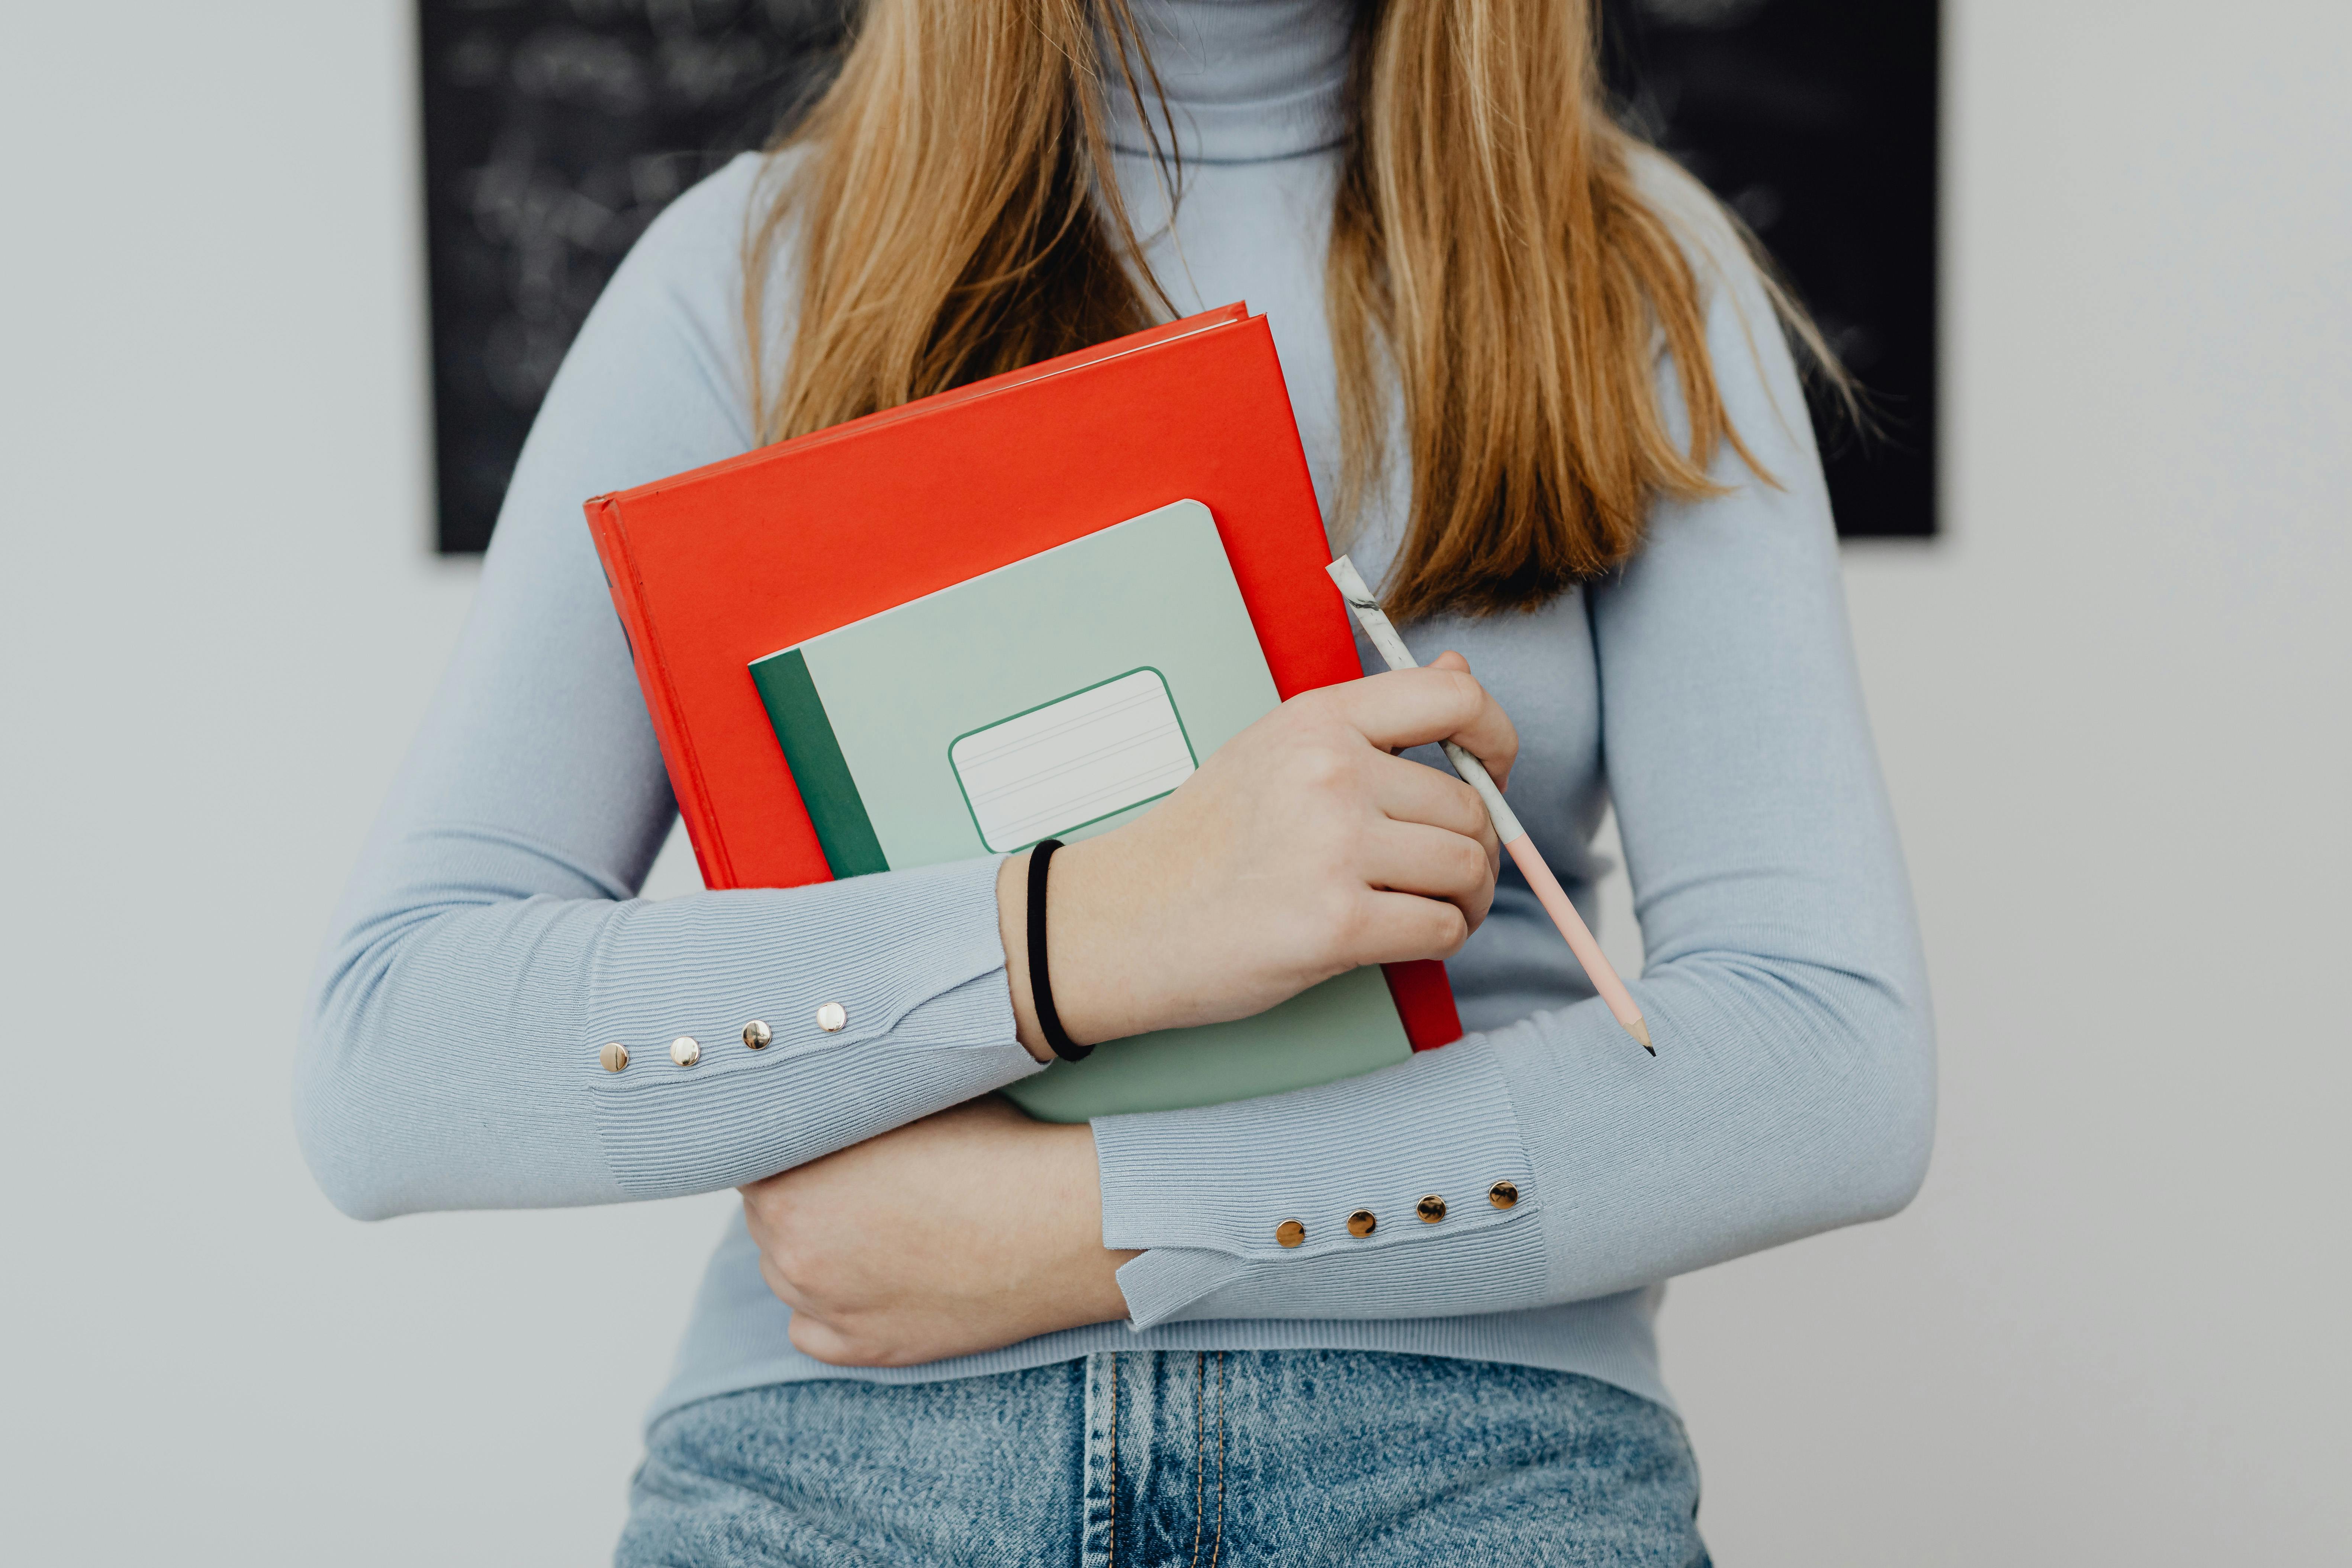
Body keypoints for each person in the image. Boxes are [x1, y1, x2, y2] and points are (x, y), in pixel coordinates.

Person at [296, 1, 1933, 1561]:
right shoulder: (750, 273)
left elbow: (1827, 1063)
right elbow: (396, 1056)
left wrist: (1100, 1225)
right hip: (843, 1466)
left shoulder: (1631, 270)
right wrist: (1088, 927)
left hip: (1476, 1457)